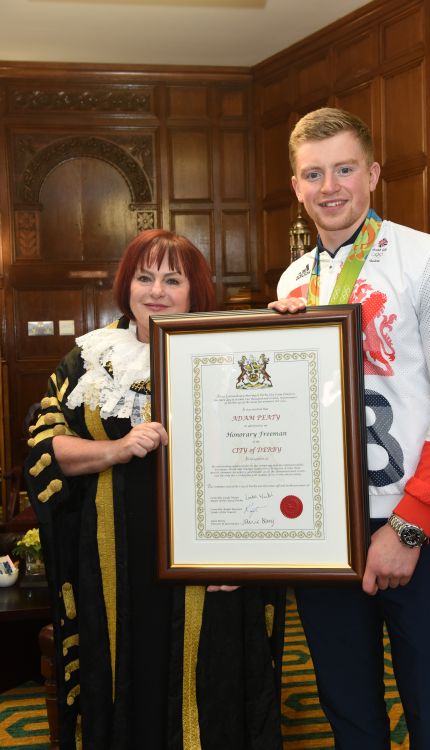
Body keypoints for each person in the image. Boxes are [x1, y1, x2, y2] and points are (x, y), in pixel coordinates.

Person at [269, 108, 430, 749]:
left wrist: (409, 527)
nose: (329, 186)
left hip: (413, 522)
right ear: (296, 186)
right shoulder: (291, 282)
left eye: (344, 168)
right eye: (314, 173)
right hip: (323, 531)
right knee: (349, 713)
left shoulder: (429, 260)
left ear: (373, 173)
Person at [25, 229, 285, 750]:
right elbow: (45, 449)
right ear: (127, 285)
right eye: (145, 277)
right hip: (113, 561)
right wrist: (116, 450)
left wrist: (285, 334)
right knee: (127, 672)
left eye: (173, 279)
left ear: (195, 291)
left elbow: (274, 452)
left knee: (210, 685)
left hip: (212, 562)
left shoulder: (232, 352)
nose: (157, 291)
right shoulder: (88, 360)